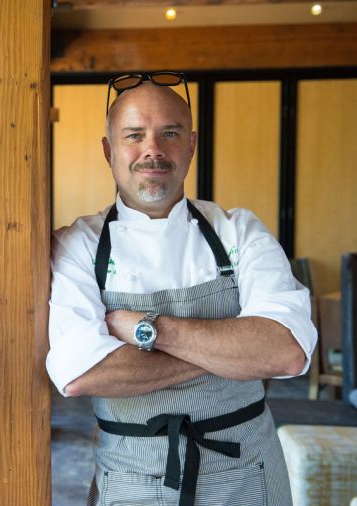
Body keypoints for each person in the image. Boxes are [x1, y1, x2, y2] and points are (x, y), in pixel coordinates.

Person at [47, 72, 316, 506]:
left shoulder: (239, 231)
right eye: (134, 135)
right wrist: (230, 351)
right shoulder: (79, 245)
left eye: (168, 133)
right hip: (131, 478)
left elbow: (286, 350)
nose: (152, 150)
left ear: (190, 145)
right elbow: (82, 374)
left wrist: (149, 330)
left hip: (248, 474)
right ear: (108, 150)